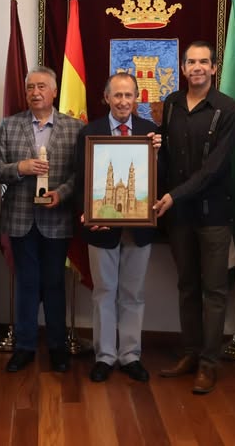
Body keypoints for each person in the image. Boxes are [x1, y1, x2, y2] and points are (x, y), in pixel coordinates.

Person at [153, 41, 235, 394]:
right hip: (178, 216)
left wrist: (173, 195)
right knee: (187, 286)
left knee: (214, 291)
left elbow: (214, 169)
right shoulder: (171, 103)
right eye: (191, 62)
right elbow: (166, 157)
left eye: (204, 61)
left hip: (213, 214)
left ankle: (208, 363)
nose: (198, 67)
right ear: (184, 67)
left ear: (214, 68)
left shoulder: (228, 109)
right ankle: (189, 353)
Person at [0, 65, 84, 373]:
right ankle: (25, 346)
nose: (35, 92)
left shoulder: (74, 128)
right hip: (19, 218)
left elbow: (79, 174)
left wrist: (63, 194)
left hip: (56, 218)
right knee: (27, 284)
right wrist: (21, 168)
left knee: (54, 284)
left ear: (55, 91)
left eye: (42, 86)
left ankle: (57, 347)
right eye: (30, 87)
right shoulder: (8, 126)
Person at [76, 72, 160, 383]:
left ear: (136, 98)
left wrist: (159, 154)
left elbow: (159, 178)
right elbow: (79, 179)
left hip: (140, 230)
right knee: (104, 292)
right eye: (118, 95)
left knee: (133, 294)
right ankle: (105, 356)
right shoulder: (89, 133)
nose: (123, 101)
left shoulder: (152, 134)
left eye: (129, 95)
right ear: (106, 98)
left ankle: (130, 355)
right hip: (101, 230)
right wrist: (87, 212)